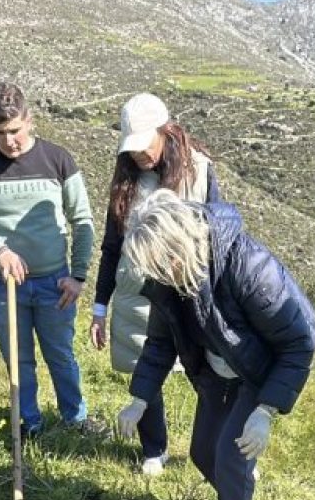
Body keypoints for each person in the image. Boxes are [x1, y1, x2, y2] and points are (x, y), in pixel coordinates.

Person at [117, 190, 315, 500]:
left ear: (182, 246)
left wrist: (266, 409)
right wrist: (139, 399)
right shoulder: (168, 277)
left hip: (257, 371)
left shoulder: (247, 266)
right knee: (202, 453)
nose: (160, 276)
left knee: (229, 455)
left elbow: (299, 341)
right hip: (216, 370)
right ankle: (239, 494)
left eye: (163, 265)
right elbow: (160, 343)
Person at [0, 82, 97, 438]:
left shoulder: (58, 159)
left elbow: (83, 220)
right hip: (3, 283)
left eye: (14, 130)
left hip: (55, 282)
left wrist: (78, 276)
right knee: (18, 359)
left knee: (60, 355)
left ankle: (75, 422)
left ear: (29, 120)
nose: (8, 141)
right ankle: (29, 425)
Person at [90, 93, 221, 476]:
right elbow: (112, 247)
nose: (140, 155)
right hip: (138, 293)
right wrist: (100, 307)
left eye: (145, 145)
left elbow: (220, 227)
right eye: (132, 149)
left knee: (209, 373)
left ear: (166, 132)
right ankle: (154, 449)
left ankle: (226, 445)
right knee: (143, 369)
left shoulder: (199, 170)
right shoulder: (126, 180)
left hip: (191, 289)